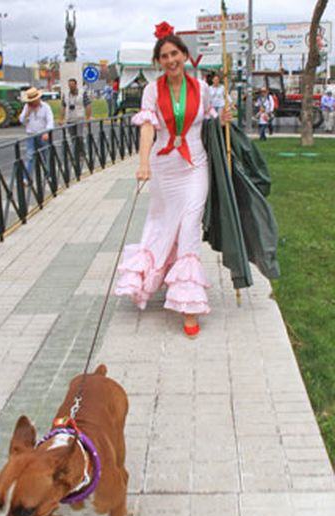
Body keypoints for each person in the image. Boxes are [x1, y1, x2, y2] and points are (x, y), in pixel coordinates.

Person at [114, 24, 233, 338]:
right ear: (158, 62)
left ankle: (189, 303)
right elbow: (148, 128)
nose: (170, 60)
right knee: (164, 224)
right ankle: (159, 279)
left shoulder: (202, 88)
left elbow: (207, 123)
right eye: (164, 56)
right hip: (164, 166)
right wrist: (142, 164)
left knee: (190, 224)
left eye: (174, 54)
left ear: (184, 56)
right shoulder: (152, 90)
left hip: (195, 165)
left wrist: (222, 121)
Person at [18, 86, 54, 180]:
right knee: (30, 156)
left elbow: (50, 120)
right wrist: (27, 113)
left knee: (46, 155)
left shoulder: (45, 107)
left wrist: (47, 132)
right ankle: (27, 178)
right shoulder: (27, 107)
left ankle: (49, 175)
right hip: (31, 134)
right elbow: (21, 120)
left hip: (42, 134)